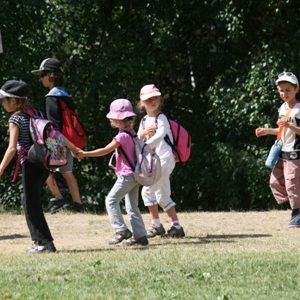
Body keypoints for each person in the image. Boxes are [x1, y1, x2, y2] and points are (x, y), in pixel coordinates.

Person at [76, 98, 148, 246]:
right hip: (136, 175)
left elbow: (104, 150)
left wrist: (85, 153)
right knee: (132, 206)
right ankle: (140, 236)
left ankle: (121, 230)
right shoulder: (132, 133)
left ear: (118, 119)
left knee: (111, 200)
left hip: (127, 175)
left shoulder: (121, 136)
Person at [0, 80, 57, 253]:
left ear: (14, 101)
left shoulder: (15, 118)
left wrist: (1, 169)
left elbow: (11, 148)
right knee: (30, 201)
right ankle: (42, 241)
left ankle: (43, 243)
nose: (2, 103)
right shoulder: (35, 112)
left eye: (4, 100)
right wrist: (73, 148)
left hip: (30, 163)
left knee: (31, 204)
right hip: (43, 163)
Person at [31, 58, 83, 213]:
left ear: (51, 76)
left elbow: (54, 127)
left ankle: (59, 199)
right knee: (68, 173)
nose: (40, 78)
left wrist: (68, 146)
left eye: (42, 75)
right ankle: (78, 204)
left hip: (56, 141)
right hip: (69, 139)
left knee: (42, 166)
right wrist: (72, 145)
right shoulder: (66, 95)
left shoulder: (51, 97)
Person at [137, 84, 185, 238]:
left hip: (164, 160)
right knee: (161, 194)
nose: (153, 101)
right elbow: (137, 138)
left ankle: (159, 225)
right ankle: (174, 226)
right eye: (148, 99)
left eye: (155, 98)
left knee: (148, 191)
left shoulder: (161, 117)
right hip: (153, 162)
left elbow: (160, 135)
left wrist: (145, 145)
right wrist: (143, 135)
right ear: (142, 103)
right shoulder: (144, 120)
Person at [256, 71, 300, 227]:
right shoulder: (282, 108)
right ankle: (296, 201)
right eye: (281, 90)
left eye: (288, 90)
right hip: (283, 152)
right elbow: (282, 131)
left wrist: (289, 124)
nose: (284, 93)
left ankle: (297, 215)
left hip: (295, 154)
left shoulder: (298, 110)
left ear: (296, 89)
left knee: (292, 184)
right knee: (274, 181)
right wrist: (267, 131)